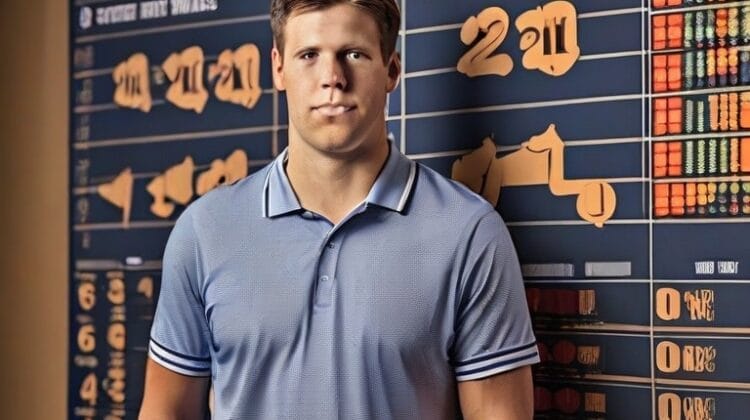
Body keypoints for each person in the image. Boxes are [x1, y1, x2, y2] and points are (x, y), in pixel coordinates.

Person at [138, 1, 539, 418]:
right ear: (278, 68)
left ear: (391, 71)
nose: (333, 78)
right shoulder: (205, 232)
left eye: (354, 54)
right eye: (309, 55)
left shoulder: (469, 233)